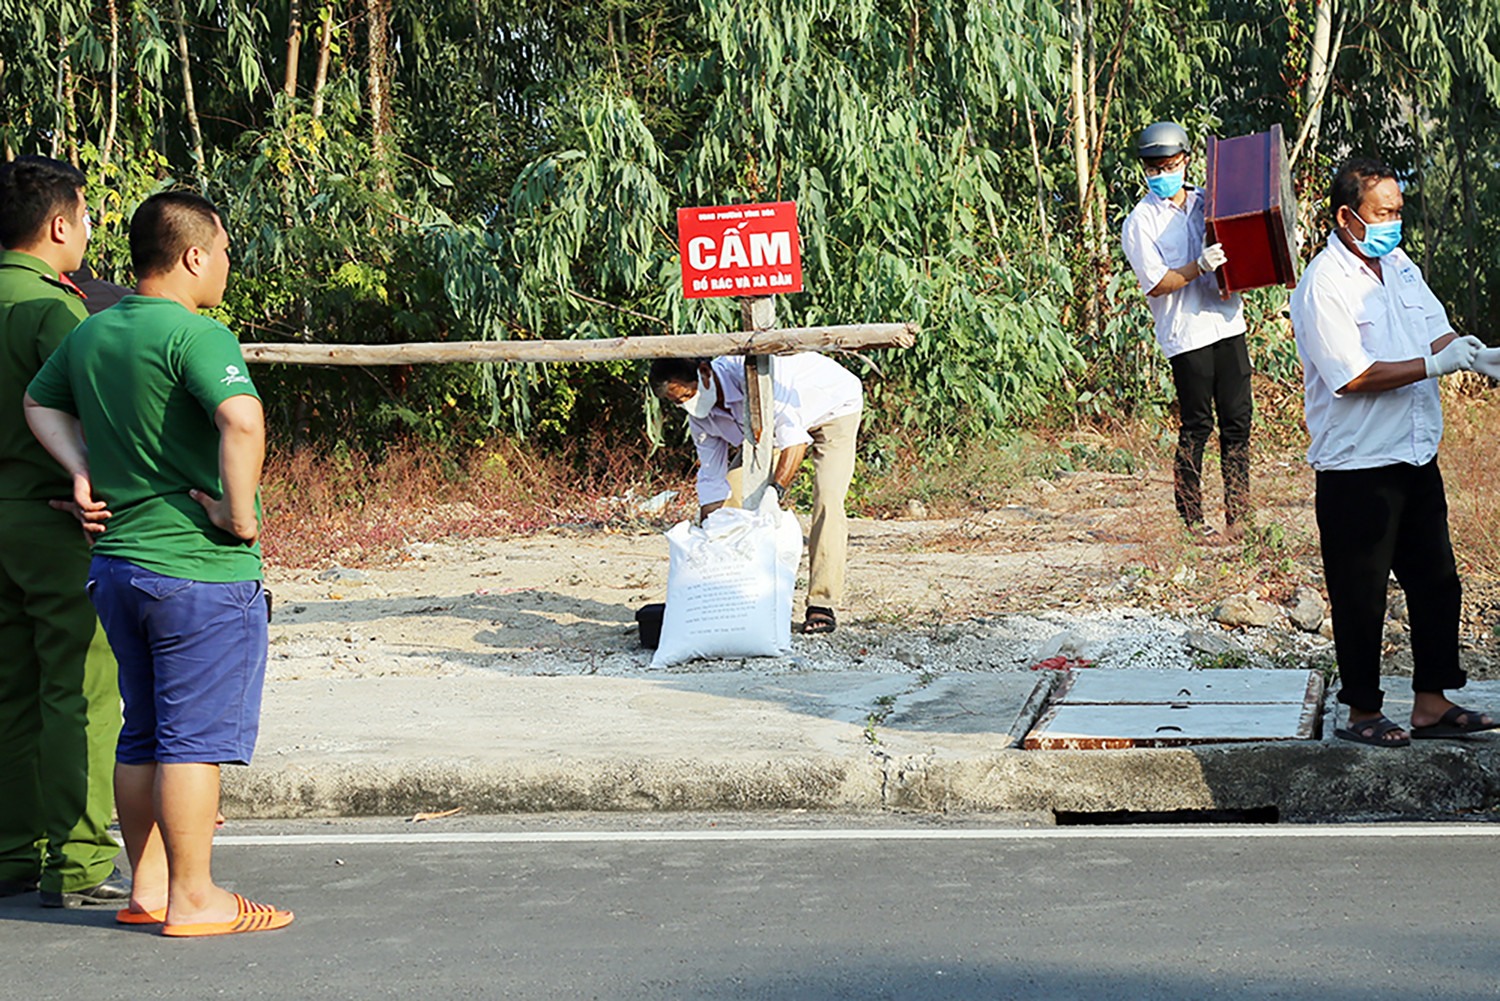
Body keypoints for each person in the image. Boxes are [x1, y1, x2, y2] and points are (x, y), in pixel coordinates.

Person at [25, 190, 292, 934]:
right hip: (196, 569)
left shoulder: (94, 332)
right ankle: (196, 896)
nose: (229, 267)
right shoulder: (198, 335)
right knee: (193, 741)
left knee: (141, 730)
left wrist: (81, 469)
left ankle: (148, 887)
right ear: (194, 255)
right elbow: (241, 417)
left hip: (116, 565)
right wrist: (238, 515)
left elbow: (38, 403)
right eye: (227, 252)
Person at [1289, 156, 1496, 747]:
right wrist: (1435, 366)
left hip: (1413, 452)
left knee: (1437, 581)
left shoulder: (1399, 265)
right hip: (1358, 464)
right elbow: (1350, 376)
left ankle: (1432, 703)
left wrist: (1478, 357)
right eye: (1383, 213)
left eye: (1398, 212)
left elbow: (1437, 332)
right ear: (1347, 217)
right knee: (1361, 592)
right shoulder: (1324, 284)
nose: (1393, 223)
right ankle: (1362, 714)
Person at [0, 155, 126, 908]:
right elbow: (102, 418)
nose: (86, 230)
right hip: (52, 517)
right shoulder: (56, 310)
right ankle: (76, 859)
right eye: (83, 217)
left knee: (9, 687)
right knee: (78, 685)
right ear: (58, 224)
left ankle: (14, 847)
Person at [649, 352, 862, 634]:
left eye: (688, 395)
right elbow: (712, 479)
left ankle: (821, 602)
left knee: (828, 500)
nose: (687, 405)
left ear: (705, 373)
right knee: (731, 500)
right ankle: (736, 595)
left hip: (832, 404)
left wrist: (775, 491)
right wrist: (707, 533)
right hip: (769, 432)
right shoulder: (700, 416)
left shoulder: (753, 378)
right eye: (677, 403)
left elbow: (794, 441)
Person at [1121, 121, 1253, 539]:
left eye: (1170, 165)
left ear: (1186, 161)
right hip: (1186, 334)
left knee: (1238, 422)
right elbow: (1156, 283)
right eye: (1154, 168)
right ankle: (1193, 520)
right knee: (1197, 425)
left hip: (1228, 322)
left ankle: (1240, 518)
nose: (1162, 175)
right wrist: (1198, 267)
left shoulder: (1208, 201)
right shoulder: (1140, 222)